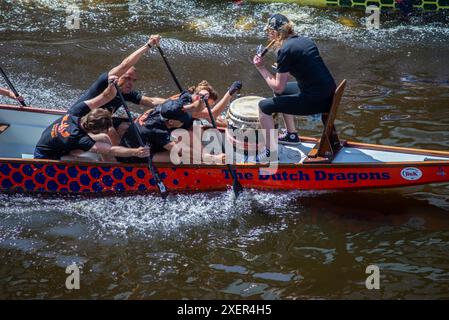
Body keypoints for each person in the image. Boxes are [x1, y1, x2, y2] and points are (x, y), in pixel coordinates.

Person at [253, 14, 336, 160]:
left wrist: (261, 68)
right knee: (280, 92)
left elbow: (278, 87)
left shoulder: (285, 50)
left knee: (263, 106)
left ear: (275, 32)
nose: (267, 35)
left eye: (268, 32)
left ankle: (270, 152)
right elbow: (303, 69)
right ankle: (292, 135)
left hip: (316, 100)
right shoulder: (305, 41)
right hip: (327, 92)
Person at [69, 34, 167, 145]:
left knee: (127, 126)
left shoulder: (126, 92)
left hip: (100, 123)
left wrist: (182, 101)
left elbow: (152, 101)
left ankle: (126, 152)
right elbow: (125, 65)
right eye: (127, 78)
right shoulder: (105, 82)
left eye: (133, 80)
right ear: (118, 76)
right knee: (110, 130)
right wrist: (148, 45)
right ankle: (121, 159)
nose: (130, 83)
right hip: (77, 122)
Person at [35, 77, 149, 162]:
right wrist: (136, 152)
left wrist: (112, 85)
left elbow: (104, 97)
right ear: (95, 130)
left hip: (53, 142)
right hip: (45, 157)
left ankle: (112, 166)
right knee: (90, 161)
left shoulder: (75, 113)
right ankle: (110, 175)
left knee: (104, 138)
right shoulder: (80, 138)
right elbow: (110, 150)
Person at [117, 91, 224, 164]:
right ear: (171, 122)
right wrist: (212, 159)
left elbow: (195, 108)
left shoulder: (169, 106)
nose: (184, 121)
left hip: (145, 141)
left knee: (187, 133)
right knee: (180, 157)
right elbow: (180, 150)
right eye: (182, 120)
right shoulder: (157, 129)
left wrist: (201, 99)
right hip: (135, 155)